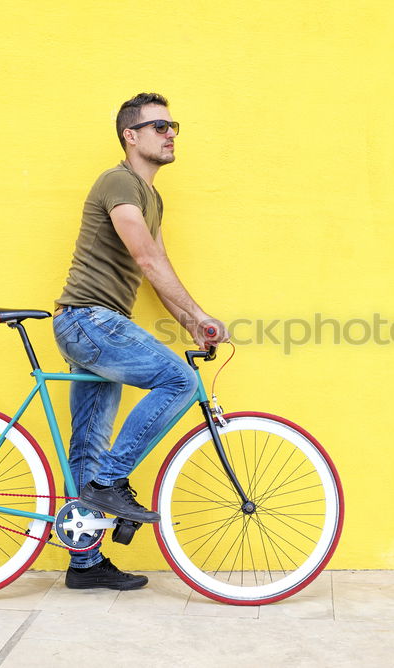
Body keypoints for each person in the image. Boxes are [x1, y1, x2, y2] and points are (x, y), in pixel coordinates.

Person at [52, 92, 229, 590]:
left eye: (174, 126)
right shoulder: (118, 182)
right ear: (131, 135)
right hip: (89, 320)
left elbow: (157, 269)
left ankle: (84, 565)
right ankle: (110, 483)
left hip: (92, 326)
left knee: (88, 443)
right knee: (177, 378)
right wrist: (197, 315)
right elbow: (146, 258)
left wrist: (193, 320)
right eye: (159, 126)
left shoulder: (151, 197)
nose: (171, 133)